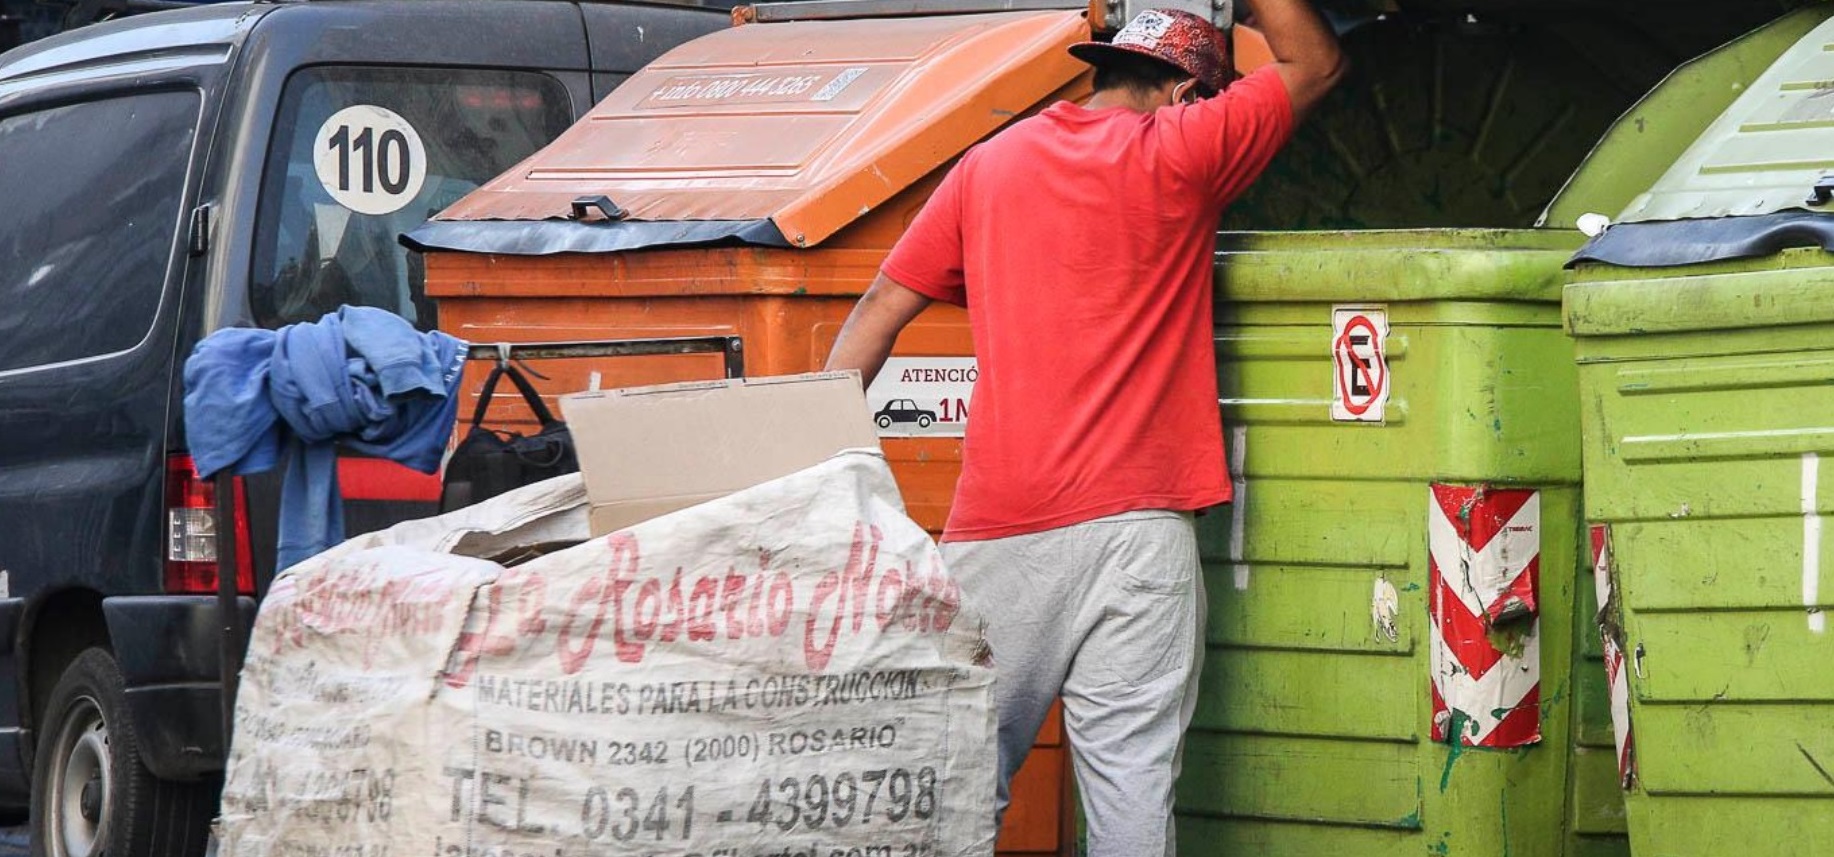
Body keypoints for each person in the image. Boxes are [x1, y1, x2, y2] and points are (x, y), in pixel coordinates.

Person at [824, 2, 1343, 854]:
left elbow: (881, 310)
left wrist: (809, 465)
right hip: (1143, 532)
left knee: (949, 785)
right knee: (1133, 793)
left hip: (1002, 533)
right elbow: (1316, 64)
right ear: (1184, 95)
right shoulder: (1183, 150)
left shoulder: (984, 167)